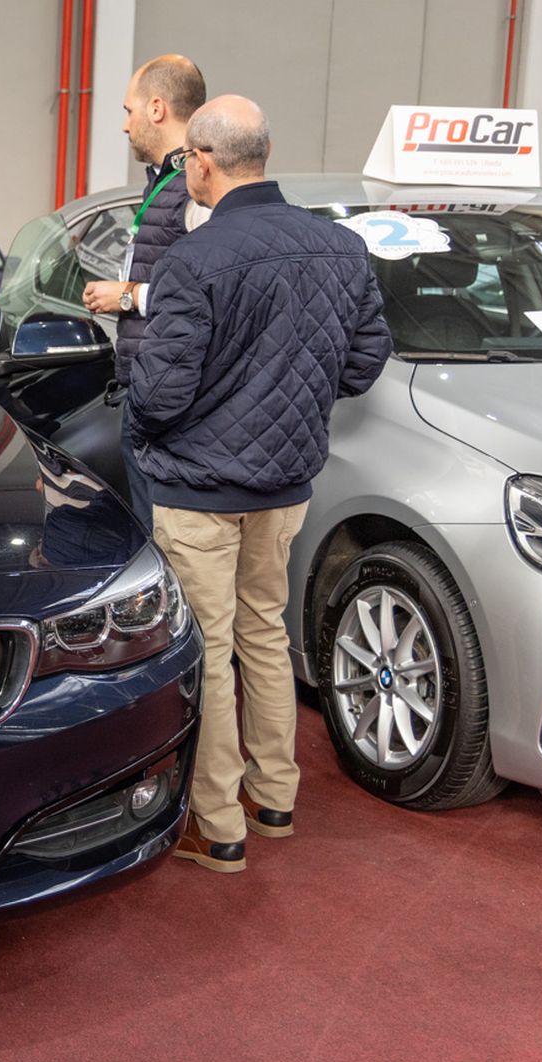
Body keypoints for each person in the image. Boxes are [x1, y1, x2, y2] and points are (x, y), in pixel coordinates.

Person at [127, 95, 391, 873]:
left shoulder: (194, 261)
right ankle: (274, 797)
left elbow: (161, 391)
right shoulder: (339, 247)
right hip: (285, 485)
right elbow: (367, 354)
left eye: (188, 166)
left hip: (200, 491)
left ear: (202, 163)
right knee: (266, 634)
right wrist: (303, 403)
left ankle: (216, 824)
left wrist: (146, 438)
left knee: (208, 652)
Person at [81, 54, 208, 530]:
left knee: (169, 547)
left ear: (157, 108)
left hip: (172, 397)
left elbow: (209, 294)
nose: (124, 125)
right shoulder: (166, 184)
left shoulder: (196, 190)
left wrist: (130, 296)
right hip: (149, 387)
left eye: (128, 110)